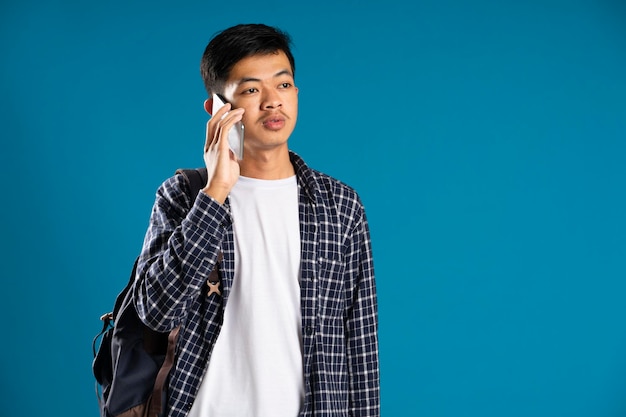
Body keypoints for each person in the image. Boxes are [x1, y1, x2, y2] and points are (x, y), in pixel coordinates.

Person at [133, 23, 379, 417]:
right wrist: (215, 193)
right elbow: (157, 311)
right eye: (250, 90)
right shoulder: (183, 196)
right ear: (216, 108)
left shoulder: (340, 206)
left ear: (296, 92)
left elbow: (361, 345)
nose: (271, 102)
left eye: (282, 85)